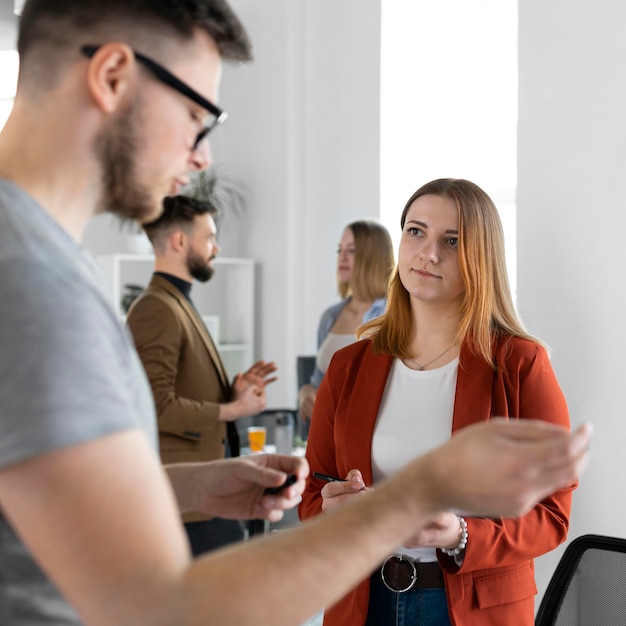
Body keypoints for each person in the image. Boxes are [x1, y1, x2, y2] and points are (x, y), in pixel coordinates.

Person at [0, 2, 591, 625]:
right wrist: (416, 494)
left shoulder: (39, 266)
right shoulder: (39, 288)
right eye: (198, 116)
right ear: (113, 75)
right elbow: (161, 605)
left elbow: (39, 495)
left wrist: (193, 485)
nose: (201, 157)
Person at [299, 177, 575, 626]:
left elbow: (551, 513)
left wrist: (459, 534)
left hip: (469, 609)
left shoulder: (520, 364)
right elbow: (313, 491)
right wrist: (331, 507)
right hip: (363, 602)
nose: (429, 253)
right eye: (416, 231)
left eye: (452, 240)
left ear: (479, 258)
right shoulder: (349, 365)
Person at [126, 193, 277, 555]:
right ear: (180, 241)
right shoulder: (156, 308)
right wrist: (232, 411)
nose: (216, 247)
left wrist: (231, 393)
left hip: (205, 498)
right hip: (188, 508)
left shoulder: (176, 302)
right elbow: (155, 405)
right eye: (209, 237)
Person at [298, 219, 394, 423]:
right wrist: (306, 392)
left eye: (351, 250)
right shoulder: (330, 317)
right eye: (339, 250)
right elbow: (319, 382)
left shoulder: (393, 315)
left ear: (374, 257)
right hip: (329, 430)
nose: (341, 257)